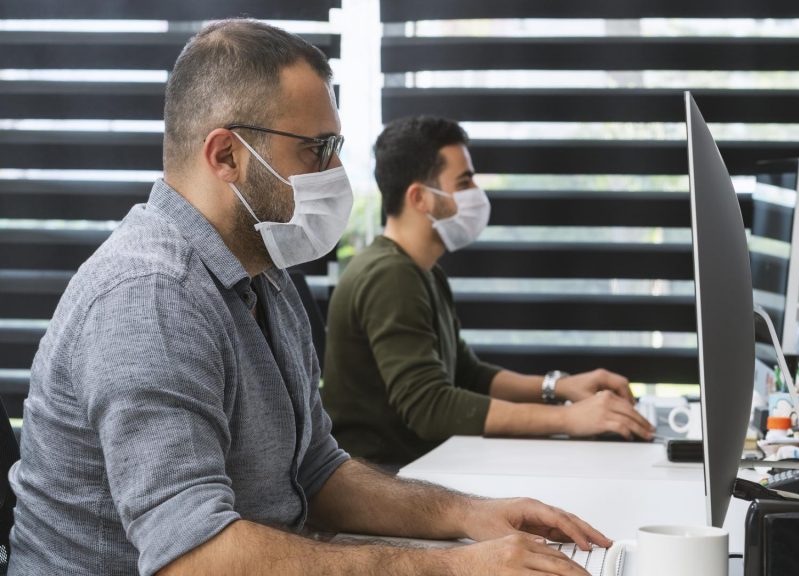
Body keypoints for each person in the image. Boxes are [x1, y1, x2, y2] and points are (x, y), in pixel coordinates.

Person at [7, 20, 608, 576]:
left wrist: (468, 516)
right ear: (226, 156)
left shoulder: (264, 272)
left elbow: (316, 472)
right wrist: (451, 566)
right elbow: (191, 556)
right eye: (317, 148)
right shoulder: (151, 296)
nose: (338, 170)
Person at [321, 116, 655, 468]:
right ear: (420, 198)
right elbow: (430, 407)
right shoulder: (390, 276)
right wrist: (569, 420)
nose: (476, 193)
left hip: (421, 470)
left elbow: (467, 374)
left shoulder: (421, 272)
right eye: (464, 182)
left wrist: (559, 387)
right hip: (387, 483)